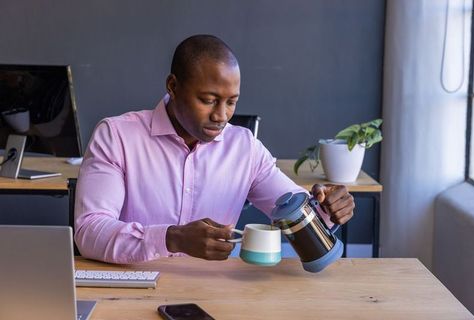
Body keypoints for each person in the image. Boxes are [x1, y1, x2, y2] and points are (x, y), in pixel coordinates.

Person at [74, 35, 355, 264]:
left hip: (214, 289)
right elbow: (89, 232)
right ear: (173, 86)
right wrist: (171, 238)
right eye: (208, 100)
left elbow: (296, 211)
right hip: (130, 285)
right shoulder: (117, 136)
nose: (221, 115)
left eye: (231, 102)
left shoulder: (245, 149)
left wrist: (328, 209)